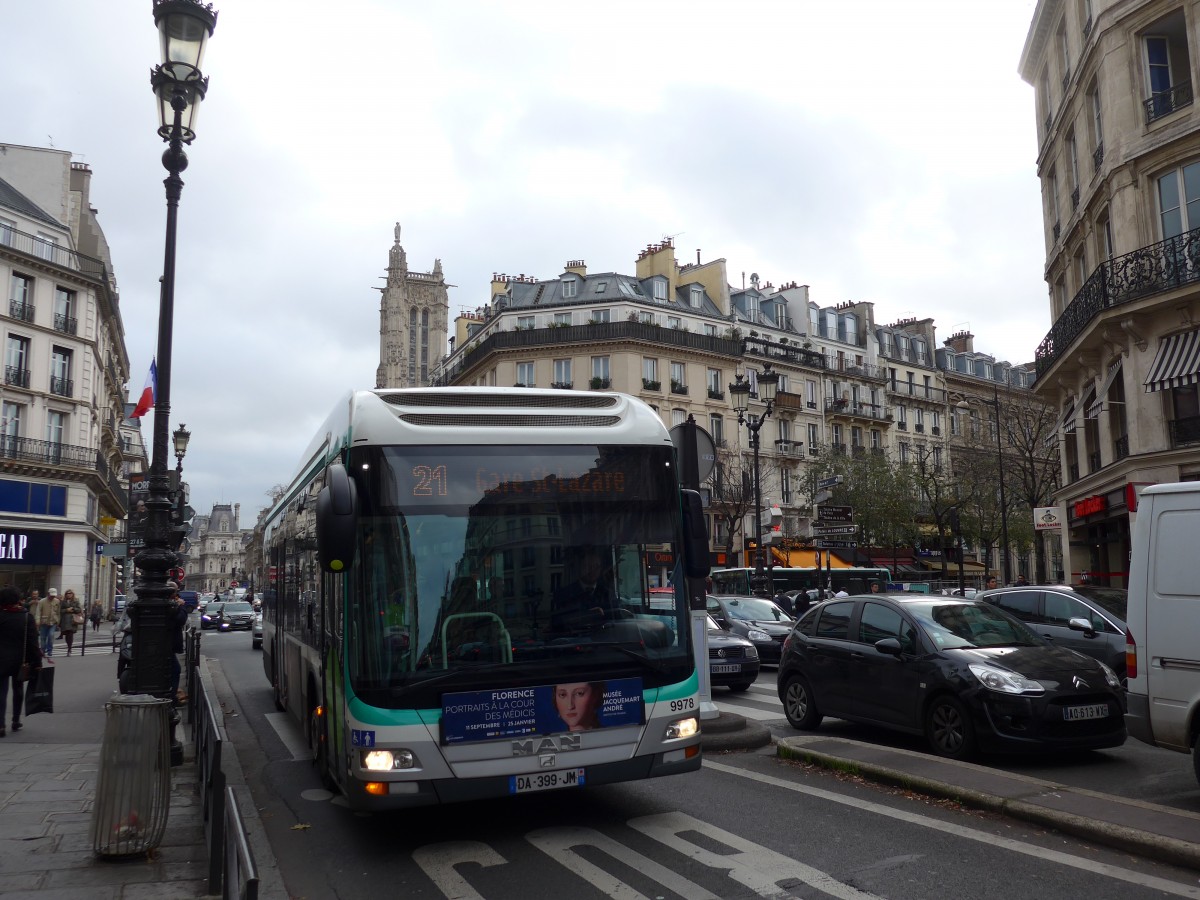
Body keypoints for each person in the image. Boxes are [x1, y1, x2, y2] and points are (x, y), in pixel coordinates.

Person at [0, 585, 41, 736]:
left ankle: (0, 725)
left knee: (1, 693)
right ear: (18, 599)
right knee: (18, 690)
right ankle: (16, 720)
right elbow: (32, 643)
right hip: (20, 661)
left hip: (1, 660)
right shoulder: (26, 617)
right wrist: (37, 663)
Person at [551, 548, 617, 633]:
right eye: (588, 566)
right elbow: (556, 623)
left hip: (603, 641)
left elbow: (617, 619)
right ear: (580, 568)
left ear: (600, 569)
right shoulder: (564, 594)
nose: (592, 570)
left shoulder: (608, 593)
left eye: (596, 566)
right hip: (573, 641)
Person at [35, 588, 60, 658]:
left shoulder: (57, 601)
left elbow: (58, 612)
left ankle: (50, 650)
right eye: (51, 595)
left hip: (53, 621)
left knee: (51, 635)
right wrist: (37, 621)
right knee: (43, 637)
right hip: (44, 622)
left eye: (54, 596)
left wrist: (58, 621)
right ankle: (43, 650)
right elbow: (38, 612)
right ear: (48, 594)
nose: (52, 597)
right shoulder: (42, 601)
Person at [58, 589, 82, 655]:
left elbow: (79, 609)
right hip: (65, 620)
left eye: (70, 593)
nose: (69, 594)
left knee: (70, 634)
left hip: (72, 620)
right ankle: (68, 647)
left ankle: (69, 649)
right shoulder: (63, 602)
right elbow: (60, 610)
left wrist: (73, 609)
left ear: (72, 594)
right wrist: (66, 610)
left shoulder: (76, 601)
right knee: (66, 635)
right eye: (67, 593)